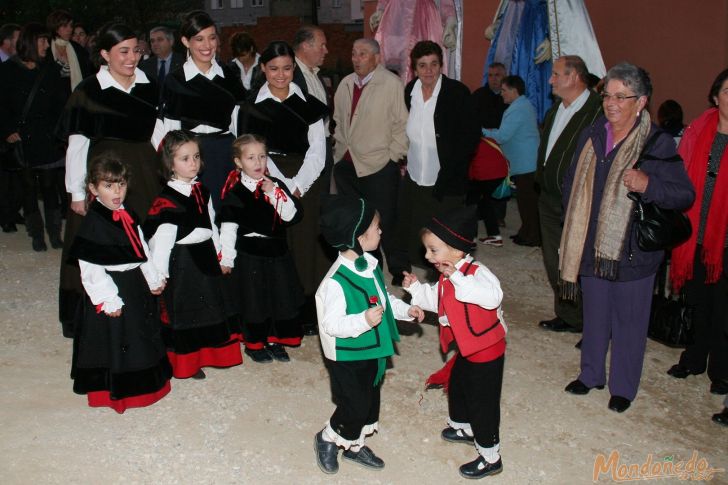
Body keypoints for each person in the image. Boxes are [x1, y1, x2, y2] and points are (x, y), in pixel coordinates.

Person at [561, 63, 694, 413]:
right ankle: (590, 375)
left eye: (622, 96)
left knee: (629, 322)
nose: (611, 103)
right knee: (595, 314)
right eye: (607, 95)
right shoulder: (592, 134)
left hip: (633, 251)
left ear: (641, 102)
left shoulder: (657, 142)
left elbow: (684, 195)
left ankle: (622, 387)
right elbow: (572, 179)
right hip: (592, 245)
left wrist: (649, 185)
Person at [58, 23, 163, 338]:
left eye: (135, 50)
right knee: (98, 243)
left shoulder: (148, 84)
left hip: (145, 174)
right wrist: (77, 192)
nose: (132, 58)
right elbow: (77, 144)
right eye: (123, 51)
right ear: (104, 54)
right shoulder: (88, 90)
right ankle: (96, 315)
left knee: (147, 238)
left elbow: (159, 132)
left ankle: (145, 313)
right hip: (105, 174)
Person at [313, 194, 424, 474]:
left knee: (370, 400)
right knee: (354, 403)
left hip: (373, 351)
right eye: (377, 228)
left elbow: (383, 297)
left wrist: (403, 310)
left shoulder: (369, 265)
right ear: (359, 237)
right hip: (348, 355)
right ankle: (328, 437)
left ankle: (354, 443)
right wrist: (363, 320)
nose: (381, 232)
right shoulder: (336, 282)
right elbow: (332, 325)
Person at [403, 206, 507, 479]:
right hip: (468, 350)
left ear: (458, 251)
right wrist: (415, 289)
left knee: (482, 403)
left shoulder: (477, 273)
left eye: (433, 250)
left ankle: (490, 456)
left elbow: (492, 298)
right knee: (460, 386)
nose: (427, 256)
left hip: (487, 351)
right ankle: (464, 426)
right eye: (427, 249)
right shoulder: (447, 277)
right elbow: (435, 300)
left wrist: (458, 278)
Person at [238, 40, 329, 334]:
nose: (280, 74)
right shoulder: (252, 108)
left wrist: (298, 184)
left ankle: (307, 310)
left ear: (294, 69)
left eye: (287, 68)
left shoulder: (310, 106)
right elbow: (254, 151)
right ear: (263, 68)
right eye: (274, 68)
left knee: (306, 246)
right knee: (275, 244)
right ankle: (276, 310)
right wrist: (279, 183)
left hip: (306, 180)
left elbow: (318, 149)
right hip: (265, 176)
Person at [69, 155, 171, 414]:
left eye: (122, 184)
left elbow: (142, 250)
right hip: (112, 289)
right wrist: (107, 299)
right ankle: (118, 394)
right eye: (108, 185)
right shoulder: (94, 223)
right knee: (115, 341)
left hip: (133, 285)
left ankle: (145, 387)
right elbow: (90, 268)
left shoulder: (127, 214)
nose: (117, 191)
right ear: (93, 189)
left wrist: (152, 278)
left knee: (139, 336)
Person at [144, 131, 242, 379]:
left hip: (205, 256)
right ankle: (187, 362)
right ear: (170, 164)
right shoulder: (167, 200)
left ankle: (207, 354)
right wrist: (159, 275)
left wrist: (221, 255)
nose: (193, 163)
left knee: (209, 306)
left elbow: (212, 223)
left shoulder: (202, 190)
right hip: (182, 263)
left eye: (196, 156)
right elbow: (162, 242)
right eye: (185, 158)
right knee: (185, 312)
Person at [390, 40, 479, 284]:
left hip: (447, 177)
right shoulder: (410, 91)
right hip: (416, 172)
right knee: (409, 224)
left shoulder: (456, 92)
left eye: (434, 64)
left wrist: (454, 169)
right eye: (422, 65)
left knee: (445, 231)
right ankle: (407, 272)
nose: (428, 70)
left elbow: (470, 136)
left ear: (441, 65)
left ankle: (449, 280)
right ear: (415, 68)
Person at [668, 68, 728, 396]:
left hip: (725, 241)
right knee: (697, 301)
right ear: (715, 96)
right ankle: (693, 359)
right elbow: (680, 176)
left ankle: (722, 371)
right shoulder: (699, 129)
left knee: (723, 309)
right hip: (696, 234)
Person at [219, 134, 304, 364]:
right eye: (251, 158)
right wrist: (226, 259)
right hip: (250, 256)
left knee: (278, 297)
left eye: (262, 157)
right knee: (254, 300)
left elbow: (291, 215)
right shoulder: (235, 193)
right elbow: (228, 229)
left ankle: (274, 340)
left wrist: (272, 192)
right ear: (238, 162)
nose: (258, 163)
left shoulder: (275, 186)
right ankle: (255, 343)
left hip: (277, 253)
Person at [154, 10, 247, 212]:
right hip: (192, 157)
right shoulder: (175, 81)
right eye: (199, 39)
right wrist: (175, 167)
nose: (207, 45)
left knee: (230, 217)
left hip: (226, 155)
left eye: (212, 38)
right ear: (186, 41)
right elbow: (168, 130)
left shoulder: (229, 76)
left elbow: (239, 124)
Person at [535, 55, 602, 334]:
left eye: (556, 74)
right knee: (554, 259)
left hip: (578, 201)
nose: (551, 79)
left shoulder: (596, 112)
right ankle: (568, 314)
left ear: (574, 77)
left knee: (579, 260)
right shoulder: (556, 109)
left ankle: (591, 323)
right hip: (549, 197)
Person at [332, 38, 408, 269]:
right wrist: (339, 152)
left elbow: (402, 124)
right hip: (347, 164)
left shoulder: (391, 83)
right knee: (358, 221)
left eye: (363, 54)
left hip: (379, 166)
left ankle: (399, 269)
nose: (356, 58)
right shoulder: (345, 83)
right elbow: (337, 120)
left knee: (387, 220)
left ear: (377, 58)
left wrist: (393, 156)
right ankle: (370, 266)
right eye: (354, 53)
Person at [0, 23, 66, 251]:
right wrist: (7, 131)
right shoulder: (8, 70)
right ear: (30, 42)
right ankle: (36, 234)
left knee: (50, 188)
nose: (47, 45)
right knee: (28, 188)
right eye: (43, 41)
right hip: (22, 139)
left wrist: (62, 134)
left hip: (47, 138)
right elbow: (2, 106)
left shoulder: (51, 69)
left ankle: (54, 233)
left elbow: (61, 104)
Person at [483, 75, 541, 247]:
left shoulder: (518, 108)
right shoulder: (521, 105)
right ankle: (526, 232)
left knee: (528, 202)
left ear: (514, 91)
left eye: (504, 90)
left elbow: (503, 136)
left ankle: (533, 236)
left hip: (526, 163)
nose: (501, 94)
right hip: (525, 162)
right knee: (525, 201)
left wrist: (482, 131)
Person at [470, 62, 508, 238]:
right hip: (484, 144)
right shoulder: (478, 95)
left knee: (500, 183)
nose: (493, 79)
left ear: (504, 76)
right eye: (491, 75)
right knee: (481, 184)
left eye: (497, 75)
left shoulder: (508, 97)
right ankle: (482, 215)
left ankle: (498, 216)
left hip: (503, 144)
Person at [0, 23, 24, 235]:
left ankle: (13, 211)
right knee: (4, 179)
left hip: (14, 127)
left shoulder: (18, 65)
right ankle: (5, 215)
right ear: (7, 42)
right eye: (18, 39)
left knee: (15, 175)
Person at [46, 10, 93, 96]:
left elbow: (87, 76)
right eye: (65, 26)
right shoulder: (46, 48)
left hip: (75, 99)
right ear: (55, 27)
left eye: (71, 26)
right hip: (53, 100)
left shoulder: (78, 49)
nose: (70, 29)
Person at [139, 26, 184, 99]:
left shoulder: (183, 62)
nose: (155, 44)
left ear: (171, 41)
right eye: (152, 41)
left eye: (159, 40)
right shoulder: (145, 65)